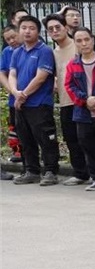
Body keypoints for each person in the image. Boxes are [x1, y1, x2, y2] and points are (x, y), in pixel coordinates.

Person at [8, 14, 60, 186]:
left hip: (39, 103)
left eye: (31, 28)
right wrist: (15, 92)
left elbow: (41, 77)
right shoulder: (17, 52)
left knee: (45, 138)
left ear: (38, 31)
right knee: (25, 139)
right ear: (19, 30)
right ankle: (31, 170)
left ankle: (51, 171)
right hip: (20, 103)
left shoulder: (44, 51)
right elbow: (12, 74)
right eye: (24, 28)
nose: (27, 31)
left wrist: (23, 95)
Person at [63, 27, 95, 191]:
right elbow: (69, 86)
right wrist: (85, 100)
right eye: (79, 41)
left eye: (86, 39)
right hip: (82, 113)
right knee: (88, 146)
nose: (84, 44)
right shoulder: (73, 64)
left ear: (93, 40)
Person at [45, 13, 84, 186]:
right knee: (71, 139)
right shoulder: (54, 52)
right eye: (50, 29)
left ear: (66, 28)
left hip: (82, 100)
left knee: (88, 139)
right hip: (65, 101)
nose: (55, 31)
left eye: (57, 27)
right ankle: (80, 173)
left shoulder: (78, 45)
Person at [1, 24, 22, 179]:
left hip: (32, 96)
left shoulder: (30, 49)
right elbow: (2, 73)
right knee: (16, 127)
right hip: (14, 97)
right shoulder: (6, 52)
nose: (11, 41)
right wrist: (12, 91)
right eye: (8, 39)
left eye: (13, 37)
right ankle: (18, 153)